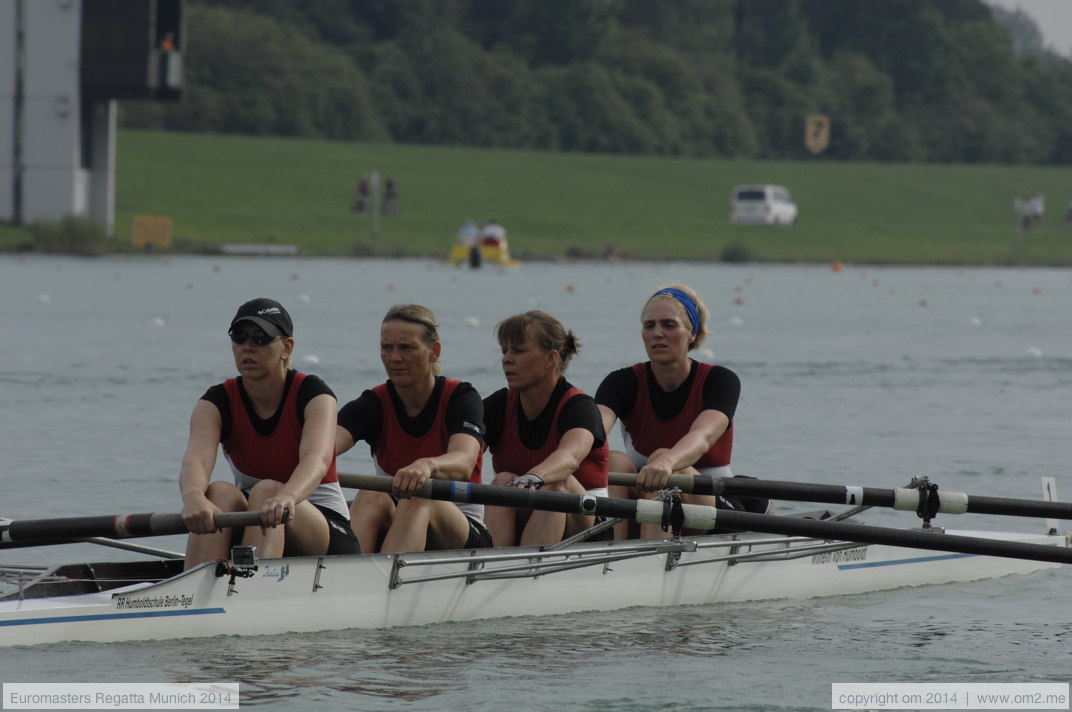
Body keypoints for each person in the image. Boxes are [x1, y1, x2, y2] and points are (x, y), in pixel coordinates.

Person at [179, 298, 359, 569]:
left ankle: (250, 590)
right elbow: (196, 460)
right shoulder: (215, 402)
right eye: (239, 337)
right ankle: (191, 594)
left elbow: (316, 460)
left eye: (262, 338)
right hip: (258, 520)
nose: (248, 347)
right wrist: (193, 498)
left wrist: (286, 497)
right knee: (218, 493)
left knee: (266, 490)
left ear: (286, 348)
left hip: (323, 527)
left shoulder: (314, 395)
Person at [595, 284, 763, 540]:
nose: (657, 333)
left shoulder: (720, 380)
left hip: (712, 506)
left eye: (669, 325)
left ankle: (649, 560)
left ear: (692, 333)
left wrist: (666, 462)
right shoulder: (622, 382)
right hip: (643, 503)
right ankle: (611, 558)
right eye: (649, 325)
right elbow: (590, 434)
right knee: (615, 461)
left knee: (663, 460)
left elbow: (703, 436)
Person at [336, 305, 491, 553]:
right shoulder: (373, 404)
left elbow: (464, 462)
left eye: (406, 348)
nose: (395, 358)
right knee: (369, 494)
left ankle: (381, 583)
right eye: (387, 348)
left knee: (418, 495)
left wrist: (426, 465)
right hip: (399, 519)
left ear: (434, 352)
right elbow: (321, 450)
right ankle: (352, 585)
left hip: (461, 533)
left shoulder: (461, 398)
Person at [483, 311, 608, 547]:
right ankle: (492, 571)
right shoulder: (497, 405)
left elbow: (570, 457)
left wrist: (535, 477)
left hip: (587, 524)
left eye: (518, 351)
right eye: (504, 351)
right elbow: (465, 452)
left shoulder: (579, 407)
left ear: (551, 359)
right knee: (501, 481)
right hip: (529, 511)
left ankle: (524, 572)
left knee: (556, 484)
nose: (506, 359)